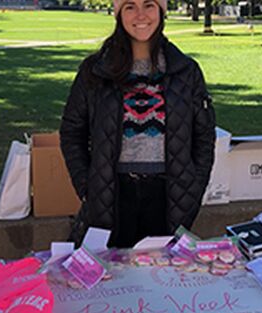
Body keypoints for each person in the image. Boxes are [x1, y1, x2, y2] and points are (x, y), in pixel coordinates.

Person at [60, 0, 215, 248]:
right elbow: (71, 132)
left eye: (149, 5)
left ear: (162, 11)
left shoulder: (186, 72)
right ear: (119, 13)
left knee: (160, 278)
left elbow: (204, 137)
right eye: (130, 6)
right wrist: (86, 185)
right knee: (112, 279)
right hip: (112, 194)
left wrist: (194, 189)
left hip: (168, 197)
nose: (140, 15)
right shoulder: (95, 70)